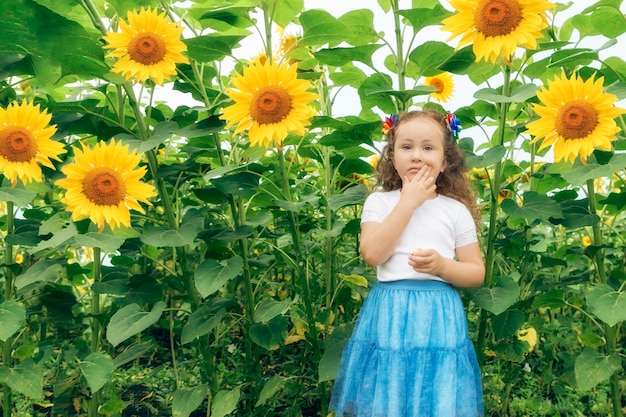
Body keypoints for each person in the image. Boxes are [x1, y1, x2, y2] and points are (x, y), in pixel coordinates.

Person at [329, 109, 485, 417]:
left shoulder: (455, 210)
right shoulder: (381, 202)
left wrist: (442, 266)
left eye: (428, 148)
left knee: (434, 391)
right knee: (390, 387)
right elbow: (373, 254)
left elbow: (475, 272)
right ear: (392, 157)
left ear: (445, 162)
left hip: (438, 315)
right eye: (406, 147)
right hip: (391, 311)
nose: (417, 155)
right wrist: (408, 202)